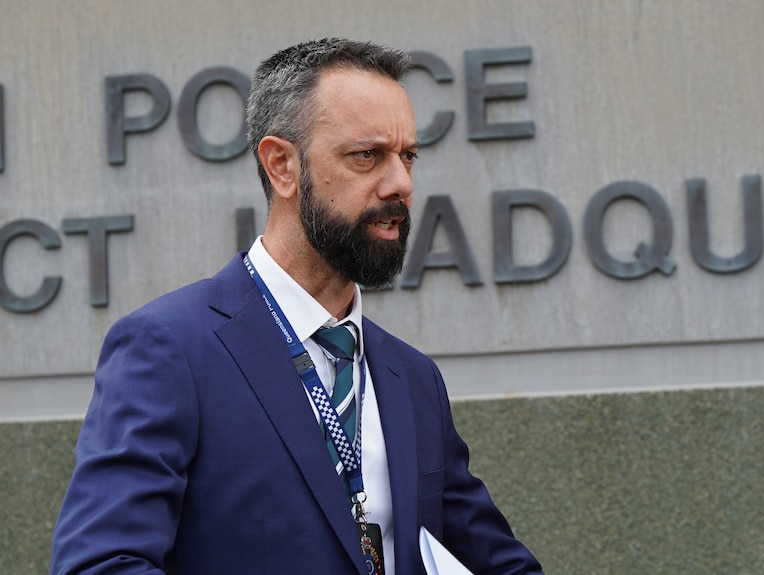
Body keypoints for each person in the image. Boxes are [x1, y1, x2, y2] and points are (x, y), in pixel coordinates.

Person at [50, 38, 544, 575]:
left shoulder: (415, 378)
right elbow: (100, 564)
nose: (401, 183)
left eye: (407, 157)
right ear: (282, 165)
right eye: (367, 156)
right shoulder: (169, 350)